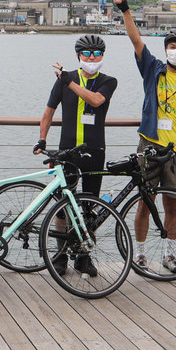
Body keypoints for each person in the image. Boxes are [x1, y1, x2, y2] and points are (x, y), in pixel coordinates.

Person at [115, 0, 176, 273]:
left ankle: (169, 255)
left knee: (172, 205)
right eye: (172, 46)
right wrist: (126, 11)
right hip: (150, 146)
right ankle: (139, 252)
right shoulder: (153, 70)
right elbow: (136, 41)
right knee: (145, 202)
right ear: (165, 49)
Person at [33, 34, 117, 275]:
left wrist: (69, 81)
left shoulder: (108, 81)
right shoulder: (64, 80)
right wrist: (42, 137)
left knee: (89, 206)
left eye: (97, 53)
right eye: (87, 53)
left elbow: (96, 100)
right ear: (78, 55)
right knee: (62, 206)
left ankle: (83, 256)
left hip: (94, 150)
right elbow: (49, 110)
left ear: (102, 56)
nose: (92, 58)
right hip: (66, 150)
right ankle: (59, 256)